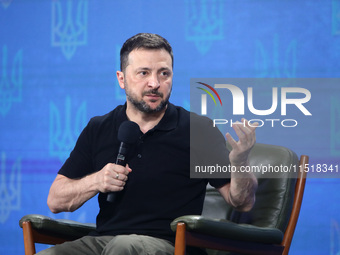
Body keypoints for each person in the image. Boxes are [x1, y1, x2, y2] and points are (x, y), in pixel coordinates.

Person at [40, 33, 258, 255]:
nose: (155, 83)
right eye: (143, 73)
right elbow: (56, 200)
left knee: (123, 246)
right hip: (103, 241)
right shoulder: (99, 127)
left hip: (171, 246)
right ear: (121, 79)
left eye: (164, 74)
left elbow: (241, 202)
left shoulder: (198, 129)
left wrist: (240, 162)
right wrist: (96, 181)